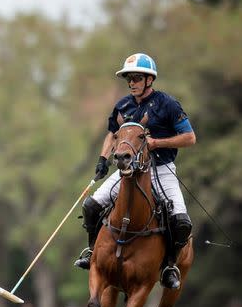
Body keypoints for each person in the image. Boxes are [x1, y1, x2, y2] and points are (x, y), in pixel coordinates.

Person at [73, 53, 196, 290]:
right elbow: (112, 133)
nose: (132, 83)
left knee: (181, 221)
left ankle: (170, 265)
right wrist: (102, 158)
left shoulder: (168, 104)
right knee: (91, 205)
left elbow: (190, 138)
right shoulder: (123, 105)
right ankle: (91, 251)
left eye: (137, 78)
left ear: (150, 80)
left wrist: (157, 144)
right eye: (129, 79)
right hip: (127, 170)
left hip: (161, 169)